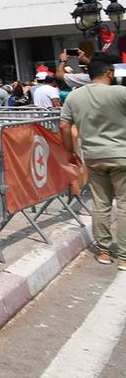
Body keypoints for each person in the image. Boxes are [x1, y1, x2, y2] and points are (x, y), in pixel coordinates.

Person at [59, 53, 126, 269]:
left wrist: (70, 151)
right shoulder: (121, 93)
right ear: (109, 73)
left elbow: (64, 126)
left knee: (101, 203)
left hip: (93, 156)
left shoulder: (75, 97)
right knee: (124, 205)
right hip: (121, 154)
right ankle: (124, 256)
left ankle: (104, 252)